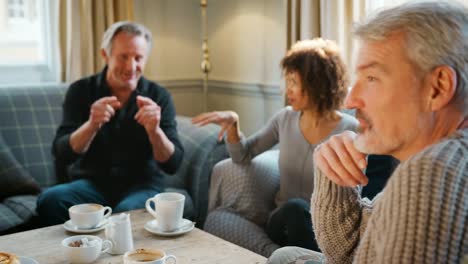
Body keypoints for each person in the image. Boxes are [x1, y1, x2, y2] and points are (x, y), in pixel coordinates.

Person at [268, 1, 468, 263]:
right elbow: (346, 253)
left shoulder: (434, 170)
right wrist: (335, 178)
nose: (350, 101)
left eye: (372, 78)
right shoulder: (439, 157)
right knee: (286, 255)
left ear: (438, 87)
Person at [193, 38, 358, 251]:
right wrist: (233, 125)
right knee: (221, 218)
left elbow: (357, 191)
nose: (287, 90)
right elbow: (243, 156)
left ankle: (283, 256)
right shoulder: (284, 119)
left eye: (294, 83)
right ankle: (286, 255)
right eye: (287, 81)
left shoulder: (350, 129)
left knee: (300, 211)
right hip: (282, 223)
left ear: (317, 83)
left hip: (327, 228)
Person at [36, 21, 184, 226]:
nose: (131, 67)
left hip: (142, 186)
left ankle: (102, 242)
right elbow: (61, 152)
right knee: (50, 200)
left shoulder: (159, 96)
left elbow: (172, 164)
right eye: (124, 56)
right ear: (105, 55)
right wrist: (91, 125)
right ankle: (95, 245)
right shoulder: (80, 91)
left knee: (125, 215)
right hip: (92, 184)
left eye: (138, 58)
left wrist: (155, 131)